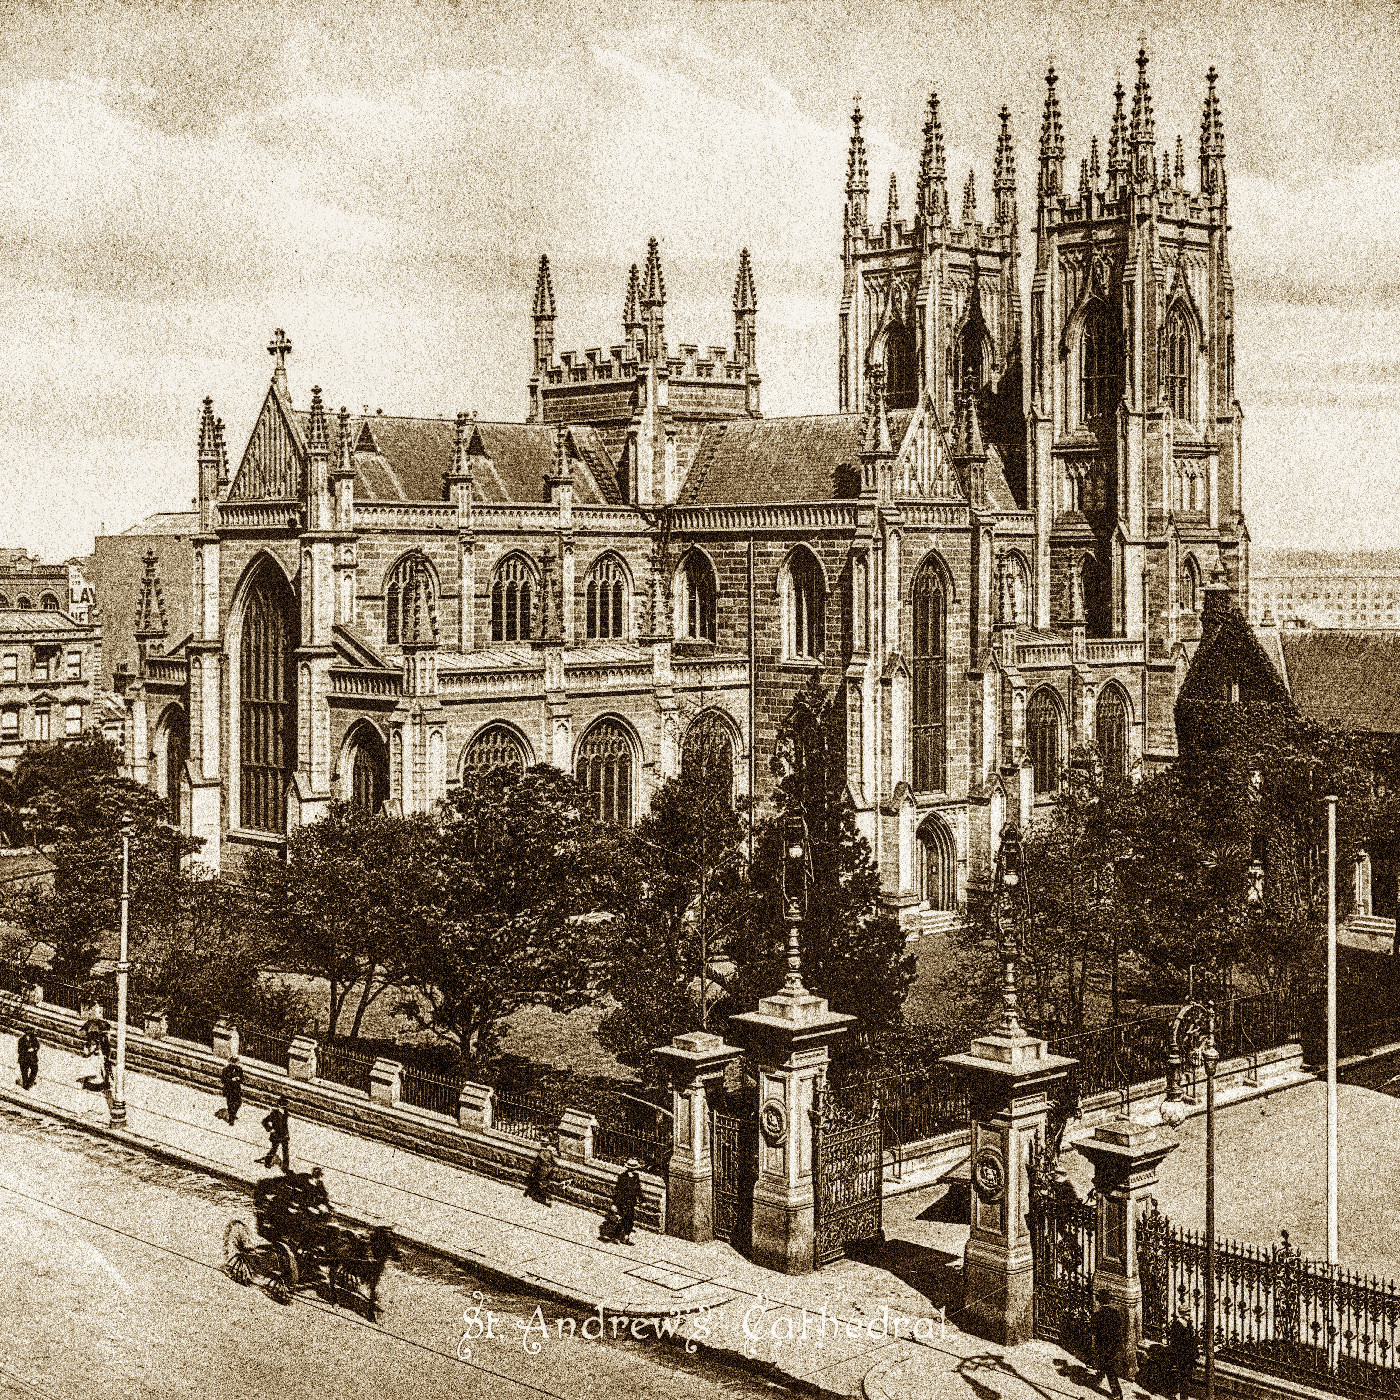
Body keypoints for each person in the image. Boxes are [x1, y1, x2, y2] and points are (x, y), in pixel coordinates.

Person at [1091, 1291, 1125, 1399]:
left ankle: (1117, 1393)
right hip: (1114, 1345)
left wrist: (1094, 1345)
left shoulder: (1097, 1315)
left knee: (1109, 1368)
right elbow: (1120, 1329)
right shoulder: (1115, 1313)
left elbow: (1093, 1332)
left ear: (1099, 1301)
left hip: (1103, 1346)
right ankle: (1100, 1376)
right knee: (1108, 1365)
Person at [600, 1159, 643, 1245]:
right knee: (620, 1219)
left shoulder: (636, 1177)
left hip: (631, 1202)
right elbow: (618, 1191)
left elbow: (638, 1190)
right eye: (632, 1168)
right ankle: (616, 1236)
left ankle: (625, 1237)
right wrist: (615, 1203)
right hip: (622, 1201)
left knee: (629, 1220)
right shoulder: (622, 1177)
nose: (632, 1169)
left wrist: (642, 1200)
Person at [1166, 1308, 1198, 1400]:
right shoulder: (1177, 1325)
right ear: (1182, 1314)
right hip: (1181, 1356)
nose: (1190, 1315)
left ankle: (1183, 1397)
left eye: (1189, 1313)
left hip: (1187, 1356)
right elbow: (1177, 1342)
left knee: (1186, 1378)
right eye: (1187, 1314)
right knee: (1182, 1378)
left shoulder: (1188, 1324)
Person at [523, 1141, 558, 1207]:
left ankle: (545, 1198)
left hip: (540, 1172)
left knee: (536, 1184)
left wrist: (532, 1171)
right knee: (539, 1184)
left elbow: (536, 1164)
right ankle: (528, 1192)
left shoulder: (540, 1153)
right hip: (547, 1172)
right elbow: (554, 1163)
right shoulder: (549, 1153)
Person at [261, 1096, 291, 1172]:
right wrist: (270, 1129)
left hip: (284, 1136)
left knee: (285, 1152)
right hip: (276, 1136)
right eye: (283, 1106)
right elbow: (264, 1121)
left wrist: (287, 1134)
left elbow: (285, 1125)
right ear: (279, 1106)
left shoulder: (285, 1113)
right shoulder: (274, 1114)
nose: (284, 1108)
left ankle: (285, 1167)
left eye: (285, 1106)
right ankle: (267, 1162)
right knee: (274, 1150)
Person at [220, 1054, 244, 1126]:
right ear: (230, 1061)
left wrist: (239, 1079)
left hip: (237, 1089)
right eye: (233, 1061)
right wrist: (231, 1080)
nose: (234, 1063)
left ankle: (233, 1114)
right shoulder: (226, 1069)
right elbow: (223, 1080)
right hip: (229, 1089)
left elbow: (242, 1079)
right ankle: (231, 1119)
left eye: (235, 1061)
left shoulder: (239, 1069)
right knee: (230, 1104)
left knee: (239, 1103)